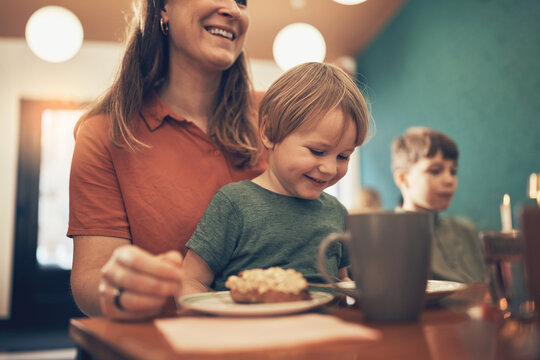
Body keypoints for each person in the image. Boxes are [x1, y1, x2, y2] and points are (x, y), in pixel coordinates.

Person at [68, 0, 267, 320]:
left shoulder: (276, 119)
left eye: (242, 0)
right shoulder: (105, 134)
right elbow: (90, 280)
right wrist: (121, 289)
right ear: (163, 9)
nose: (232, 9)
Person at [177, 62, 371, 296]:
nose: (330, 168)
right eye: (317, 151)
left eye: (343, 156)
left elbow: (341, 280)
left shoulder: (338, 213)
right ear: (269, 133)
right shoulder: (234, 204)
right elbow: (191, 281)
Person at [391, 127, 486, 283]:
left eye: (453, 171)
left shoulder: (466, 231)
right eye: (435, 171)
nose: (449, 180)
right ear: (402, 179)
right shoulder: (386, 237)